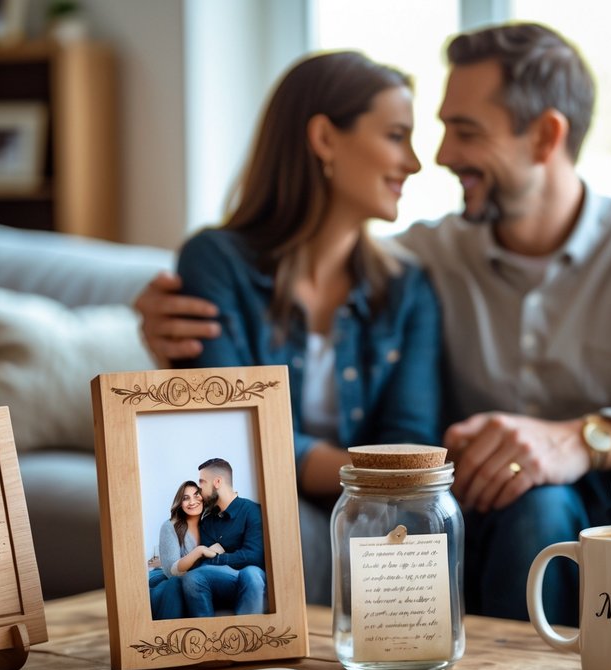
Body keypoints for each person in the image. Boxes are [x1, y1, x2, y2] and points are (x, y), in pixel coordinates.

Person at [137, 24, 611, 636]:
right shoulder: (423, 258)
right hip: (512, 504)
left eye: (463, 132)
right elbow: (310, 258)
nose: (436, 158)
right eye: (431, 131)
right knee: (537, 505)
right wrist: (154, 315)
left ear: (546, 136)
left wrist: (584, 438)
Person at [170, 50, 441, 599]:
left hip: (375, 510)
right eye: (395, 135)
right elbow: (232, 432)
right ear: (324, 139)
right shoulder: (214, 261)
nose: (413, 162)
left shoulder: (408, 286)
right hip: (269, 500)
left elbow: (410, 440)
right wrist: (369, 475)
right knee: (269, 526)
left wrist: (369, 480)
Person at [178, 458, 267, 617]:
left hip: (250, 576)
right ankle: (206, 636)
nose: (199, 490)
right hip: (223, 580)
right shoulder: (207, 521)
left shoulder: (252, 510)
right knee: (193, 577)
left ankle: (248, 635)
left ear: (217, 482)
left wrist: (219, 556)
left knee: (251, 573)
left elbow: (254, 556)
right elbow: (205, 561)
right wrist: (214, 555)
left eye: (202, 483)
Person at [152, 480, 223, 619]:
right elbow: (171, 572)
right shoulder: (170, 526)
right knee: (176, 584)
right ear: (180, 503)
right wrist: (199, 551)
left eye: (196, 495)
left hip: (198, 585)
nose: (192, 501)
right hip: (171, 582)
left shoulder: (209, 525)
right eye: (186, 498)